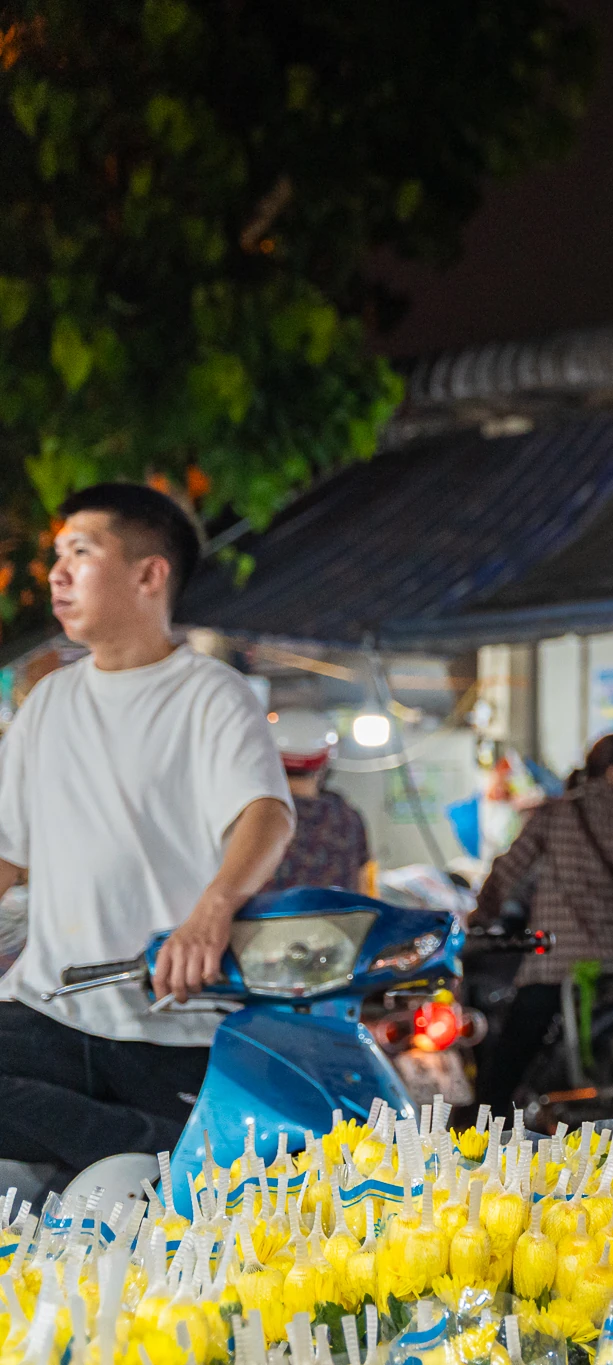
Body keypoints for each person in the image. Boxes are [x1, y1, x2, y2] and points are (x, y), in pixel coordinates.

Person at [0, 483, 295, 1179]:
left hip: (169, 1023)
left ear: (148, 573)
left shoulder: (210, 695)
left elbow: (267, 813)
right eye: (58, 555)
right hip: (50, 1011)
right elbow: (8, 857)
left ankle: (161, 1147)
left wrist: (211, 911)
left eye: (82, 551)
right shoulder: (50, 702)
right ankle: (165, 1142)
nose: (58, 572)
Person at [471, 733, 613, 1118]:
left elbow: (507, 869)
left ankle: (486, 1130)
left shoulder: (553, 815)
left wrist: (481, 917)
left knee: (509, 1059)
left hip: (554, 963)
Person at [267, 708, 373, 895]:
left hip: (263, 923)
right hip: (336, 923)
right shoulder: (348, 817)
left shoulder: (256, 814)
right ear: (326, 761)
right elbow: (364, 887)